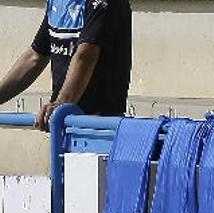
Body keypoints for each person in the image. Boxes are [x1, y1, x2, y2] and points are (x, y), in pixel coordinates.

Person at [0, 0, 131, 131]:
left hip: (99, 126)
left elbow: (86, 55)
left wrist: (61, 104)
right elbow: (35, 57)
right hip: (65, 125)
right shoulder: (59, 2)